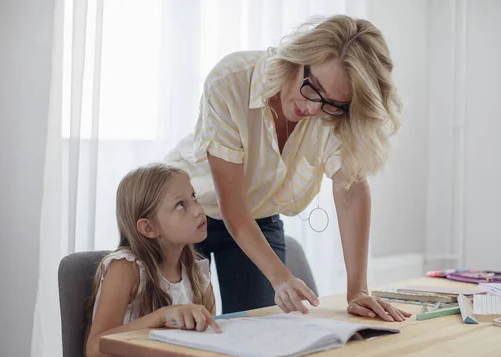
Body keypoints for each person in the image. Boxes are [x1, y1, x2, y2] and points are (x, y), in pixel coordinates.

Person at [165, 15, 412, 324]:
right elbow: (234, 208)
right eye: (314, 88)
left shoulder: (335, 115)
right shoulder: (232, 80)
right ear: (300, 57)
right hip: (185, 208)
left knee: (258, 339)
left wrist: (358, 291)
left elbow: (349, 189)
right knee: (179, 336)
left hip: (257, 215)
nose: (312, 109)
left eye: (333, 104)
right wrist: (281, 277)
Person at [83, 164, 259, 357]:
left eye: (193, 197)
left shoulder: (198, 274)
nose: (198, 210)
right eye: (180, 205)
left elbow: (205, 353)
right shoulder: (126, 268)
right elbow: (95, 351)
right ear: (148, 227)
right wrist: (161, 316)